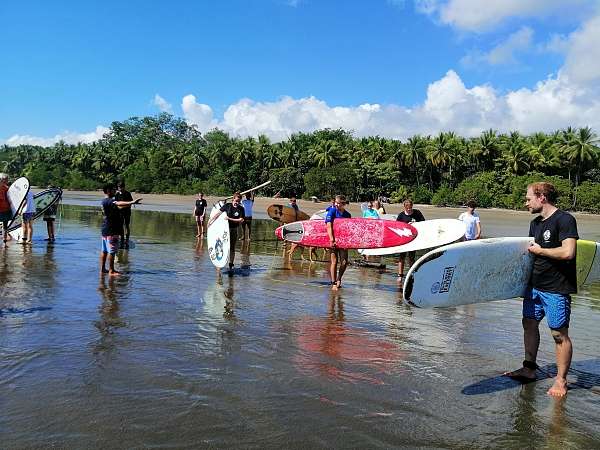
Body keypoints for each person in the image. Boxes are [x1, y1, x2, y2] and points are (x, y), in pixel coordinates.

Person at [505, 182, 578, 397]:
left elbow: (568, 252)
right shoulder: (535, 223)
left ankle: (561, 381)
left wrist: (541, 251)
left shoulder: (565, 219)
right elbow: (531, 255)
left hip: (556, 288)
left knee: (558, 333)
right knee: (529, 323)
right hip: (534, 286)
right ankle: (529, 368)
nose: (525, 202)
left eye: (528, 198)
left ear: (542, 197)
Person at [100, 184, 142, 276]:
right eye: (113, 190)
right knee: (112, 251)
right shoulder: (111, 201)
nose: (115, 191)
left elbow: (119, 206)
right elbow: (118, 203)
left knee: (104, 250)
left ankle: (103, 269)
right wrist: (132, 202)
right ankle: (111, 270)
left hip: (105, 229)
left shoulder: (104, 201)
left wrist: (128, 204)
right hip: (112, 230)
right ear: (108, 191)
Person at [208, 192, 245, 273]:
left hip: (234, 229)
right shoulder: (227, 206)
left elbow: (241, 220)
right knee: (221, 246)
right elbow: (218, 214)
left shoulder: (241, 209)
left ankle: (231, 264)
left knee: (232, 248)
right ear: (233, 199)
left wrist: (229, 219)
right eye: (236, 201)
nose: (237, 203)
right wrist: (210, 221)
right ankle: (219, 264)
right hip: (223, 230)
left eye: (239, 202)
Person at [326, 194, 351, 290]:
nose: (336, 204)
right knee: (334, 261)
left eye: (338, 203)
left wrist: (348, 241)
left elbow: (348, 229)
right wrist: (332, 239)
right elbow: (328, 225)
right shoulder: (332, 211)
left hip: (343, 240)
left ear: (343, 204)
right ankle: (333, 283)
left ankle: (339, 278)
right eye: (336, 202)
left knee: (344, 262)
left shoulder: (347, 215)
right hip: (333, 239)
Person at [396, 199, 425, 279]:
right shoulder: (401, 215)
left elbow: (424, 223)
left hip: (413, 239)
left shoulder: (417, 213)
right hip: (404, 239)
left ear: (412, 206)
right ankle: (400, 275)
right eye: (407, 208)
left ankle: (411, 274)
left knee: (411, 257)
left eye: (410, 208)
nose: (409, 209)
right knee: (402, 257)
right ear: (404, 207)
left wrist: (416, 224)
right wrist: (406, 225)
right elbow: (397, 226)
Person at [115, 181, 134, 248]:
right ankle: (122, 239)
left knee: (126, 225)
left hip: (127, 212)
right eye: (118, 187)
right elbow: (116, 203)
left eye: (121, 187)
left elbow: (131, 203)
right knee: (120, 226)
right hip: (119, 213)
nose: (120, 189)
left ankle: (127, 240)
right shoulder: (117, 194)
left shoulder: (128, 193)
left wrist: (122, 206)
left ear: (124, 187)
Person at [0, 174, 11, 244]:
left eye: (7, 179)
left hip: (6, 209)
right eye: (6, 179)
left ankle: (4, 240)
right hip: (4, 209)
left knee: (5, 226)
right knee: (5, 226)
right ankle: (4, 240)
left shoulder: (7, 188)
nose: (7, 181)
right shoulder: (6, 187)